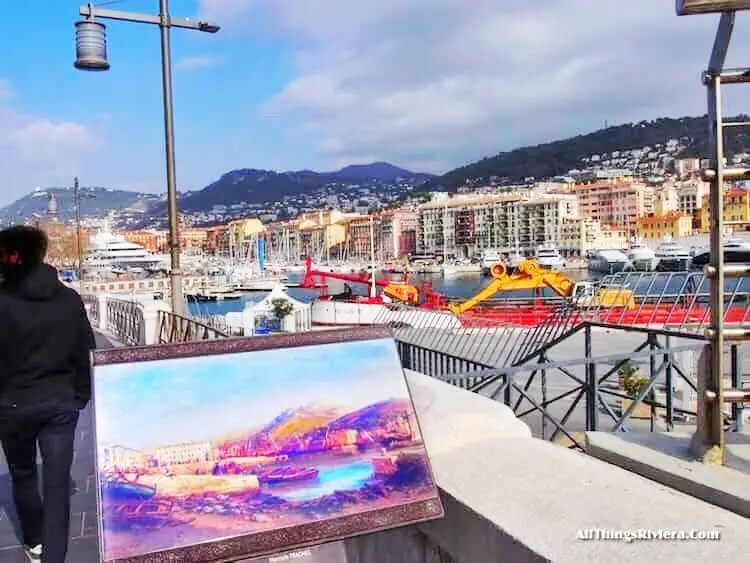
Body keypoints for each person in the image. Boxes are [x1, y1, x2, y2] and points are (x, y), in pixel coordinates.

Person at [0, 226, 95, 563]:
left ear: (13, 256)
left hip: (12, 405)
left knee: (23, 473)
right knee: (57, 484)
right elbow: (84, 350)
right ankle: (55, 556)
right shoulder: (68, 298)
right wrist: (80, 396)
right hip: (60, 403)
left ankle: (34, 541)